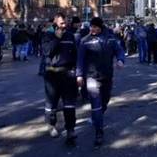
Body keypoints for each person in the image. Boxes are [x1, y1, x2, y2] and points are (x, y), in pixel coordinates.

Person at [76, 17, 125, 147]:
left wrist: (120, 60)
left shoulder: (110, 38)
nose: (92, 29)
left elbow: (119, 50)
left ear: (101, 27)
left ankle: (97, 116)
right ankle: (99, 132)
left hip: (107, 76)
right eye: (91, 27)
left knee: (105, 101)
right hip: (91, 77)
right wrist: (79, 75)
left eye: (95, 27)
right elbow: (80, 59)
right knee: (96, 104)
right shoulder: (85, 41)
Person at [43, 13, 79, 147]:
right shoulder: (48, 35)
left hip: (67, 73)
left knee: (69, 104)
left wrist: (76, 72)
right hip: (52, 74)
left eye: (65, 23)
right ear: (55, 22)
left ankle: (70, 130)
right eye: (62, 23)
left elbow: (74, 54)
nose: (64, 25)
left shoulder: (70, 35)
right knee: (51, 103)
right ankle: (51, 125)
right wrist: (57, 39)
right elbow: (47, 52)